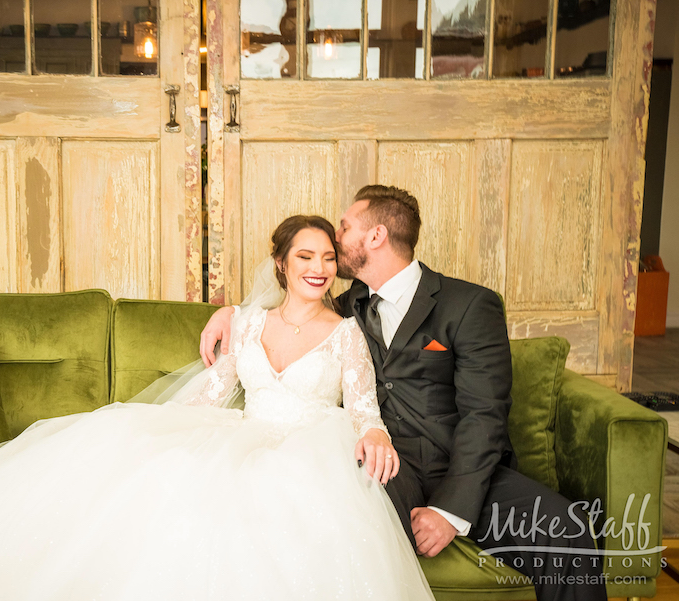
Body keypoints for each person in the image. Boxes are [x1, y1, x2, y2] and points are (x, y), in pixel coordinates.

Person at [0, 215, 435, 601]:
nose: (318, 268)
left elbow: (364, 403)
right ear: (282, 263)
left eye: (327, 258)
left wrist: (374, 432)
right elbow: (211, 394)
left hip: (307, 452)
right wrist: (149, 428)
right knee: (149, 476)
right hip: (242, 432)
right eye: (305, 257)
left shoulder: (348, 330)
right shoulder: (243, 324)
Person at [200, 186, 607, 601]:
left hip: (462, 468)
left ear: (375, 237)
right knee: (333, 528)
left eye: (343, 228)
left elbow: (485, 414)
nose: (334, 240)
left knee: (568, 529)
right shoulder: (349, 303)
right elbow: (293, 313)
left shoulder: (469, 305)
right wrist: (230, 314)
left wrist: (451, 511)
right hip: (384, 469)